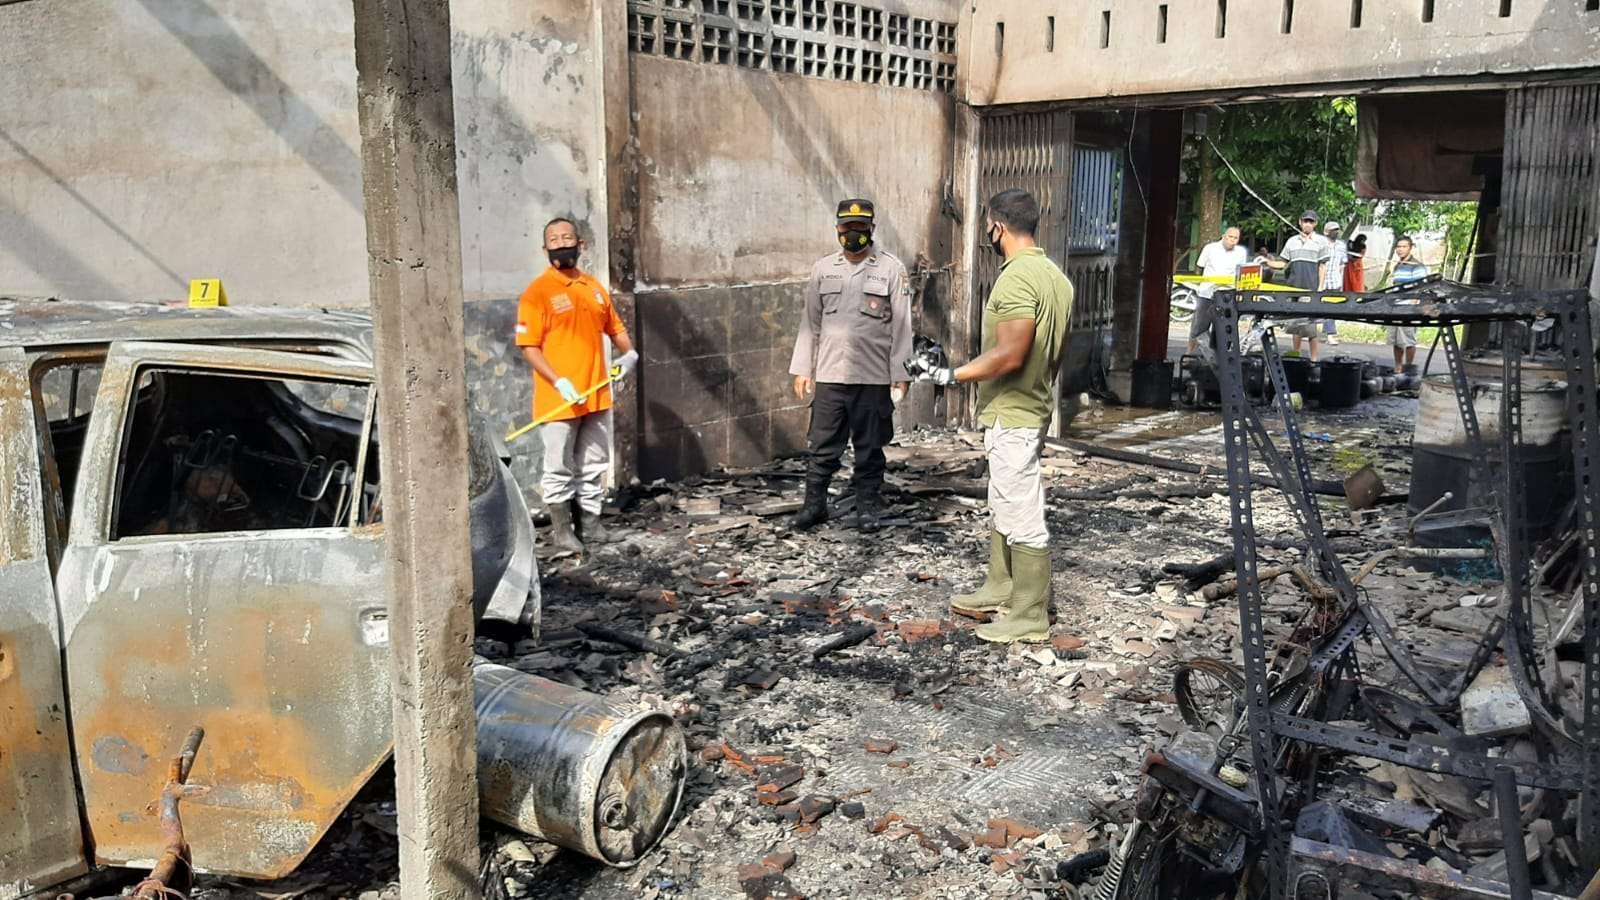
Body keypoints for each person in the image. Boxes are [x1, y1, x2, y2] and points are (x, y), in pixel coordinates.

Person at [905, 189, 1074, 645]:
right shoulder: (1055, 277)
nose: (986, 233)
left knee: (1021, 510)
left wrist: (949, 374)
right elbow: (1055, 354)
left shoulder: (1017, 279)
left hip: (1015, 411)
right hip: (1030, 405)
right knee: (1004, 499)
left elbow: (1010, 354)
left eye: (986, 226)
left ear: (996, 225)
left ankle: (1029, 613)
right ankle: (1000, 585)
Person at [787, 198, 913, 533]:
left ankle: (867, 506)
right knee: (822, 446)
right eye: (847, 227)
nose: (853, 233)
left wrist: (901, 373)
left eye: (860, 227)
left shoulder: (890, 269)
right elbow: (809, 323)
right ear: (838, 229)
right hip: (830, 375)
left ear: (872, 228)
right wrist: (803, 368)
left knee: (869, 448)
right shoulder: (823, 269)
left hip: (872, 377)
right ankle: (814, 505)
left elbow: (902, 326)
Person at [516, 217, 638, 556]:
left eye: (567, 237)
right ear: (545, 249)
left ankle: (592, 524)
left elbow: (616, 329)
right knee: (558, 465)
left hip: (597, 393)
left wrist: (628, 355)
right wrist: (559, 380)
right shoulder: (537, 293)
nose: (560, 243)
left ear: (581, 245)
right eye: (553, 239)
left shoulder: (594, 289)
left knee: (594, 462)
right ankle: (562, 532)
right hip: (559, 398)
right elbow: (529, 347)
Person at [1264, 211, 1331, 360]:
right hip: (1292, 288)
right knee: (1295, 326)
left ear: (1315, 224)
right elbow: (1282, 263)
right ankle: (1296, 355)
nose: (1307, 224)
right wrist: (1267, 262)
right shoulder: (1292, 241)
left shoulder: (1321, 241)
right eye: (1305, 221)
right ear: (1300, 222)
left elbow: (1322, 266)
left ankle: (1314, 359)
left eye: (1310, 222)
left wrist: (1320, 287)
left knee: (1310, 327)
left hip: (1310, 289)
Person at [1188, 226, 1249, 354]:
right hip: (1207, 292)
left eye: (1235, 238)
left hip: (1228, 293)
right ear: (1224, 236)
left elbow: (1241, 273)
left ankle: (1219, 357)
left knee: (1224, 328)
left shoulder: (1241, 252)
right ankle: (1190, 353)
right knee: (1199, 326)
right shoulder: (1210, 248)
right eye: (1230, 237)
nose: (1232, 240)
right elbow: (1199, 266)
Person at [1387, 235, 1429, 372]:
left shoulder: (1416, 266)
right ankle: (1398, 366)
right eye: (1398, 247)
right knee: (1396, 340)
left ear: (1410, 248)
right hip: (1396, 306)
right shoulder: (1398, 266)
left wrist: (1413, 305)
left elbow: (1421, 288)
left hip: (1409, 306)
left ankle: (1408, 367)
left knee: (1408, 339)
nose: (1400, 249)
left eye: (1404, 246)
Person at [1320, 221, 1347, 345]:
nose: (1335, 232)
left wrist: (1341, 282)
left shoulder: (1341, 246)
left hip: (1335, 282)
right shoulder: (1320, 244)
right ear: (1326, 232)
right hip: (1322, 282)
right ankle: (1320, 333)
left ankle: (1330, 334)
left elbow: (1342, 265)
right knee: (1322, 309)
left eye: (1337, 229)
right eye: (1332, 230)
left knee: (1331, 309)